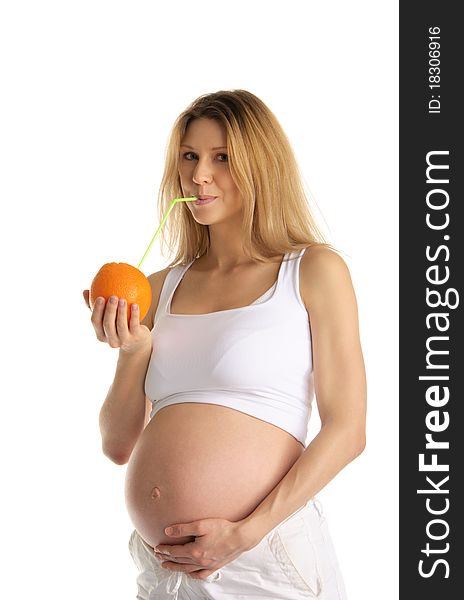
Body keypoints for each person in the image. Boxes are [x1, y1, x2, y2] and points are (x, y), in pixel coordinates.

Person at [83, 89, 366, 600]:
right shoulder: (157, 286)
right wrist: (133, 353)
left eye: (222, 158)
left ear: (262, 166)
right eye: (189, 156)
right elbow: (117, 445)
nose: (199, 175)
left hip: (263, 555)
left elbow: (347, 430)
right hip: (167, 572)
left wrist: (245, 534)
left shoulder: (313, 271)